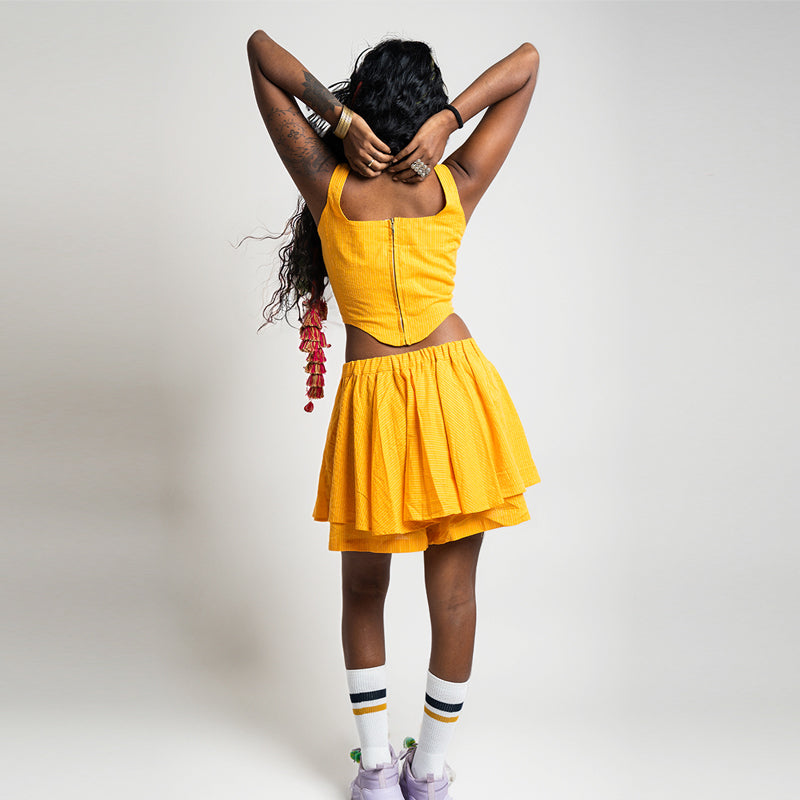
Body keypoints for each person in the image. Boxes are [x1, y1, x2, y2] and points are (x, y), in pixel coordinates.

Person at [246, 30, 541, 800]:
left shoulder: (329, 188)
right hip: (456, 393)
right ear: (424, 108)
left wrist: (338, 121)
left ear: (365, 102)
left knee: (362, 592)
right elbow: (527, 63)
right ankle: (430, 771)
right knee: (455, 596)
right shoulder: (456, 181)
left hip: (373, 402)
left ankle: (376, 770)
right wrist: (453, 118)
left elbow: (261, 52)